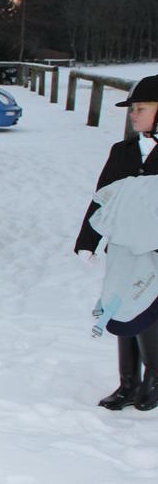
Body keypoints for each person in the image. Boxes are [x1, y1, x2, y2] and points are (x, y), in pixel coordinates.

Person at [75, 74, 158, 410]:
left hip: (154, 253)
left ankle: (154, 377)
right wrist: (88, 241)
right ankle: (128, 382)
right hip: (123, 249)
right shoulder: (121, 152)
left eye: (141, 108)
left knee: (150, 312)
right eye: (132, 108)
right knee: (120, 307)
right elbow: (102, 199)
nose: (132, 114)